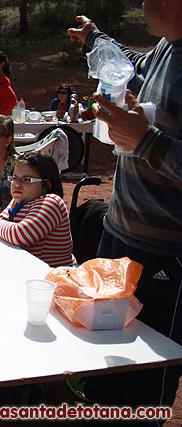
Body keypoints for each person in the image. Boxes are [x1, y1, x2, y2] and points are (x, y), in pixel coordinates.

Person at [68, 5, 182, 410]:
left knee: (149, 364)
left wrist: (146, 139)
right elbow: (130, 67)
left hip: (166, 251)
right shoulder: (168, 47)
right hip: (119, 232)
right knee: (105, 341)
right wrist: (96, 38)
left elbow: (148, 138)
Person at [0, 152, 76, 268]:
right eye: (14, 178)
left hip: (50, 278)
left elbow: (19, 235)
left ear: (46, 184)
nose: (17, 184)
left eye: (27, 180)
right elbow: (2, 227)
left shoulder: (52, 203)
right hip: (26, 270)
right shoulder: (19, 200)